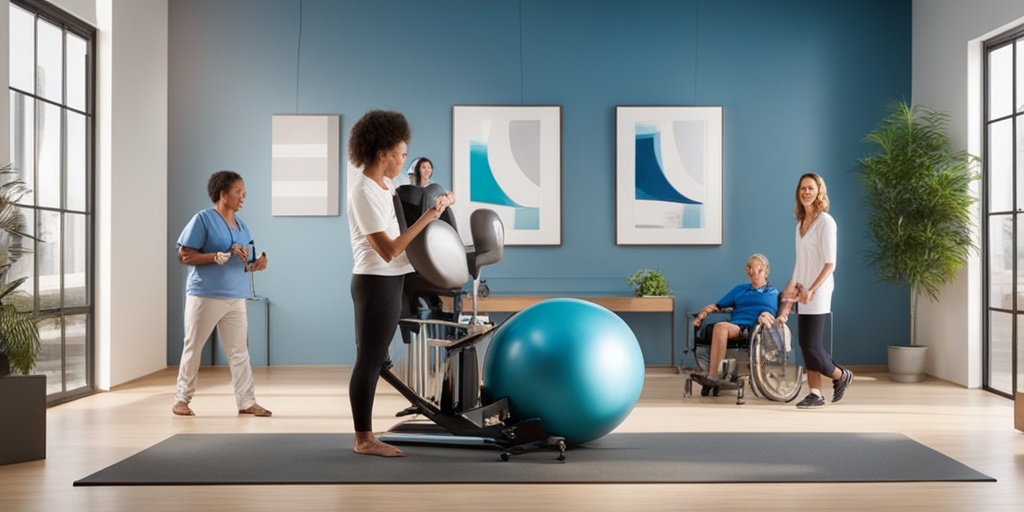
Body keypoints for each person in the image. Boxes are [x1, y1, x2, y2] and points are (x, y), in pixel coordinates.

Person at [346, 110, 447, 457]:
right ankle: (363, 439)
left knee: (378, 358)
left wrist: (439, 205)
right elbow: (389, 249)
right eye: (401, 154)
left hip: (392, 279)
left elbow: (405, 214)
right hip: (375, 280)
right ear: (382, 154)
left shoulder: (385, 184)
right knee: (370, 359)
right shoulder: (363, 191)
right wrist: (429, 217)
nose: (405, 159)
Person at [173, 170, 271, 417]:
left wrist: (257, 263)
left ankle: (247, 402)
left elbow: (244, 260)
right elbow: (184, 255)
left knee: (239, 351)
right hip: (205, 295)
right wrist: (213, 256)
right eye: (239, 192)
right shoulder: (203, 219)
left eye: (244, 193)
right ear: (222, 194)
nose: (243, 197)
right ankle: (181, 400)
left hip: (236, 296)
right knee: (193, 347)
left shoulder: (242, 226)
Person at [777, 172, 853, 409]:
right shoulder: (800, 224)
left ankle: (841, 375)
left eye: (811, 188)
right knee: (806, 345)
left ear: (819, 191)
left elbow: (830, 263)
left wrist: (811, 289)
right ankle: (816, 393)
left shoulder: (826, 222)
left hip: (818, 291)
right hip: (803, 290)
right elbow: (800, 265)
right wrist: (788, 297)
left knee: (812, 345)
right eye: (802, 189)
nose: (806, 192)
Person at [691, 254, 779, 385]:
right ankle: (713, 376)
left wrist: (764, 315)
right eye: (750, 267)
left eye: (758, 268)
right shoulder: (740, 290)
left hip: (755, 327)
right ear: (747, 271)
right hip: (737, 326)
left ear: (766, 271)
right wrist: (704, 312)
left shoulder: (772, 292)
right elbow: (718, 306)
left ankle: (714, 376)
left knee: (721, 327)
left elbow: (771, 311)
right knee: (720, 327)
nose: (753, 271)